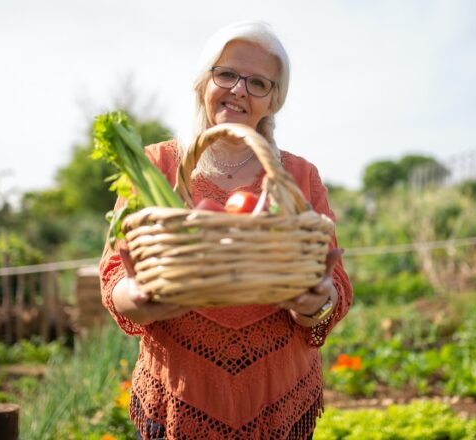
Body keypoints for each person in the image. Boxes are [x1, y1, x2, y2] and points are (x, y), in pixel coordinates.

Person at [99, 21, 353, 440]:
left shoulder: (300, 175)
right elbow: (113, 274)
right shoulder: (155, 167)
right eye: (228, 74)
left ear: (274, 100)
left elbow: (335, 287)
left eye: (258, 83)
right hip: (179, 391)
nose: (239, 90)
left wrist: (314, 303)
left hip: (279, 392)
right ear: (204, 82)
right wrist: (136, 299)